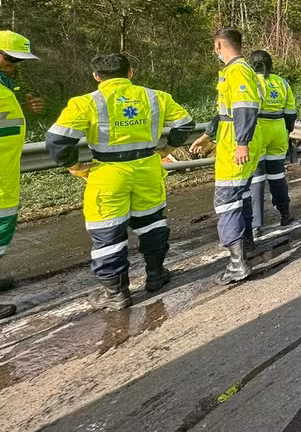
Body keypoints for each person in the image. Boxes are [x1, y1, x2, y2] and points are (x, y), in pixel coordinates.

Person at [45, 54, 194, 310]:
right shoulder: (155, 97)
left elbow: (57, 141)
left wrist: (76, 167)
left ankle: (117, 293)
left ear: (96, 76)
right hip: (147, 169)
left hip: (107, 174)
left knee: (108, 233)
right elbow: (185, 124)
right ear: (131, 72)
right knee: (152, 224)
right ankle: (156, 275)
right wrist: (166, 149)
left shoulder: (87, 103)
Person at [190, 27, 263, 285]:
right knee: (240, 198)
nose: (214, 52)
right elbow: (225, 112)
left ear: (220, 45)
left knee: (227, 202)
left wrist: (241, 142)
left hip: (236, 147)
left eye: (215, 47)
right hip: (232, 143)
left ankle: (237, 263)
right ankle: (247, 248)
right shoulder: (233, 72)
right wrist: (208, 136)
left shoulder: (238, 71)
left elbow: (245, 108)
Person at [0, 31, 43, 319]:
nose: (15, 64)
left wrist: (27, 109)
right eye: (10, 58)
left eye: (19, 60)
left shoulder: (6, 86)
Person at [248, 50, 296, 236]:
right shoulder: (282, 82)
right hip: (278, 130)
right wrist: (287, 132)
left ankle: (256, 224)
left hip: (258, 129)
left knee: (257, 177)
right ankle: (285, 214)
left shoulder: (250, 81)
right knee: (277, 175)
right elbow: (291, 113)